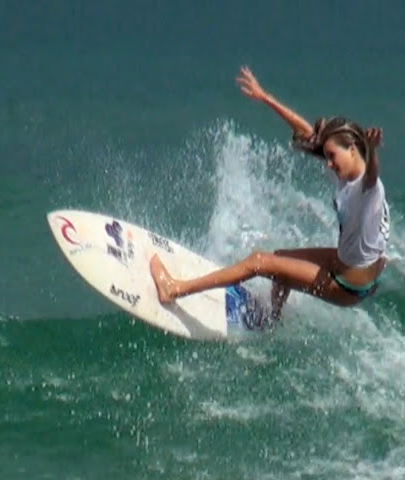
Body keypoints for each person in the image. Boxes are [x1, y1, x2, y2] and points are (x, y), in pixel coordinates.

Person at [149, 66, 390, 323]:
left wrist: (373, 151)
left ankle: (174, 289)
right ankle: (272, 318)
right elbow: (308, 134)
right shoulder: (345, 171)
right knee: (280, 258)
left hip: (347, 285)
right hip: (356, 267)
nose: (328, 164)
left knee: (259, 262)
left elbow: (372, 175)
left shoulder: (369, 189)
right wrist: (265, 97)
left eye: (332, 156)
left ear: (353, 149)